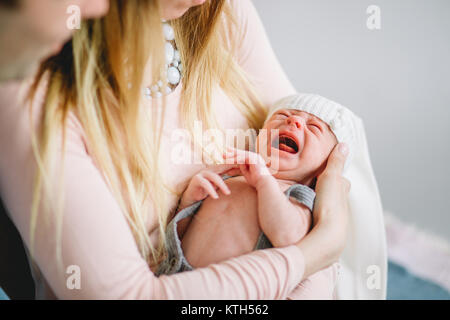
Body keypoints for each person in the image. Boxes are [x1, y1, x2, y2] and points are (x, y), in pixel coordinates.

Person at [0, 0, 354, 299]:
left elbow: (324, 172)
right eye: (290, 120)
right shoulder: (26, 92)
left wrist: (316, 265)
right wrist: (312, 254)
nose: (295, 124)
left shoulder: (222, 12)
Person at [158, 94, 356, 299]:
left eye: (314, 128)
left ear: (324, 167)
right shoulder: (233, 175)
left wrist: (263, 180)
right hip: (177, 278)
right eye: (282, 116)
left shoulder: (298, 195)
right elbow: (180, 235)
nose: (293, 121)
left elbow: (290, 238)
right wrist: (190, 201)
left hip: (235, 294)